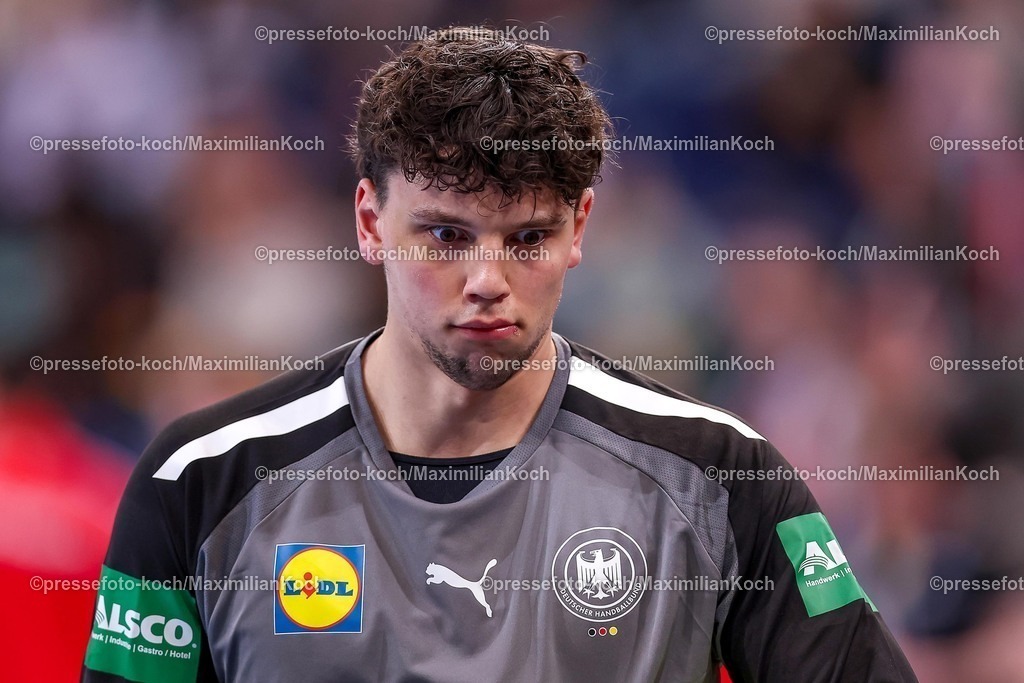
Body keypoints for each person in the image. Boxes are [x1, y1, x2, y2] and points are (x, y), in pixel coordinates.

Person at [82, 28, 918, 682]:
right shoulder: (200, 480)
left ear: (581, 227)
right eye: (446, 234)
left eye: (528, 238)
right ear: (370, 222)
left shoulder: (719, 477)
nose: (488, 279)